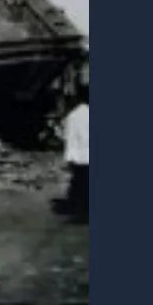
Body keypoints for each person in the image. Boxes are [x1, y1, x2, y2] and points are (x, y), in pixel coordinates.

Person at [56, 86, 89, 224]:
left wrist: (68, 157)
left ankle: (81, 212)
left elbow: (69, 138)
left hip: (79, 158)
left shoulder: (73, 116)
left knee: (80, 184)